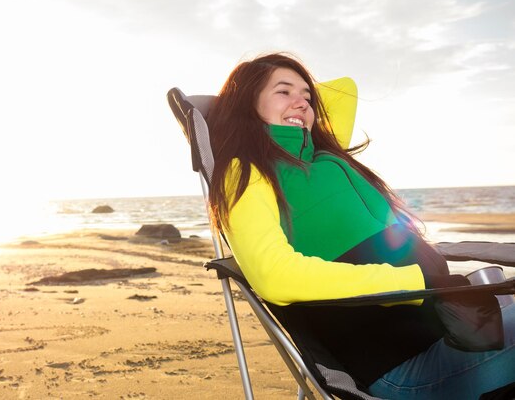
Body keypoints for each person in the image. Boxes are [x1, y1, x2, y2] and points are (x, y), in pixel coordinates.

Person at [206, 52, 515, 399]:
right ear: (247, 104)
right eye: (283, 92)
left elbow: (342, 93)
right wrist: (411, 280)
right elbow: (274, 275)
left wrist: (292, 104)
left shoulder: (325, 161)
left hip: (453, 330)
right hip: (402, 366)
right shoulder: (247, 172)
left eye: (308, 97)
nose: (302, 103)